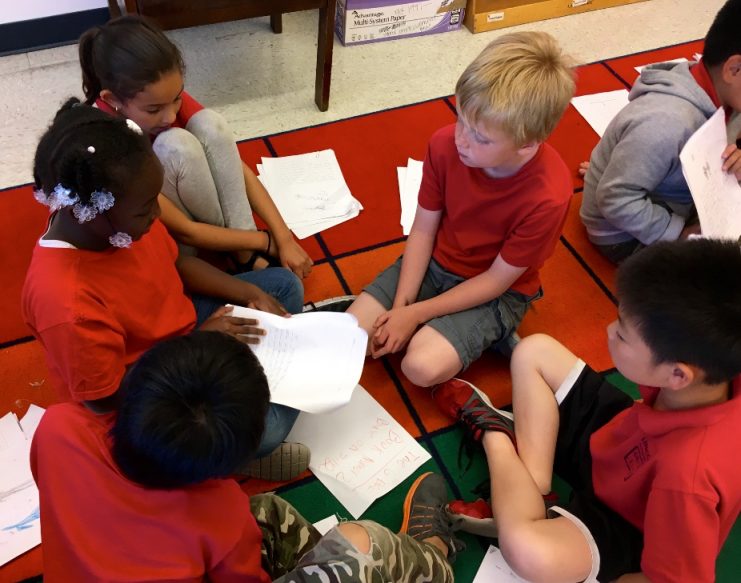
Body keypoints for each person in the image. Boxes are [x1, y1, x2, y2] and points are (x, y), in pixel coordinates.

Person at [22, 100, 307, 480]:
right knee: (267, 431)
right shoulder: (66, 303)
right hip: (149, 385)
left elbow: (178, 264)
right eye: (144, 211)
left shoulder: (118, 217)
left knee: (284, 286)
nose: (157, 218)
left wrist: (246, 296)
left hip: (185, 329)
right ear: (91, 211)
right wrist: (200, 346)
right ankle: (233, 452)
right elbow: (108, 400)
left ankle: (233, 430)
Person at [31, 330, 460, 583]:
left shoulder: (57, 429)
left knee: (267, 511)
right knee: (360, 544)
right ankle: (436, 558)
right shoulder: (219, 519)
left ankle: (322, 555)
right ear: (226, 470)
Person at [435, 238, 741, 582]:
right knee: (533, 352)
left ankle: (497, 437)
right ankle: (532, 488)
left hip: (627, 523)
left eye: (623, 335)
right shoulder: (708, 374)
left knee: (526, 550)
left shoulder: (687, 480)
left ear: (678, 374)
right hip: (621, 440)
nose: (610, 331)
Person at [347, 31, 576, 387]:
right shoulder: (443, 145)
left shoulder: (548, 195)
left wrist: (414, 314)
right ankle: (436, 324)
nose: (461, 139)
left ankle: (493, 332)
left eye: (481, 137)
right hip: (435, 265)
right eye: (460, 120)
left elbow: (498, 280)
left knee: (419, 367)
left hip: (497, 292)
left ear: (529, 144)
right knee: (352, 340)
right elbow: (423, 229)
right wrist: (402, 307)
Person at [79, 15, 313, 279]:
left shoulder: (161, 95)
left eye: (176, 99)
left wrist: (284, 238)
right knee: (175, 143)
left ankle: (241, 248)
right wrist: (263, 241)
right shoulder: (106, 143)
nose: (169, 116)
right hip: (172, 239)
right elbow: (184, 230)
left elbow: (233, 166)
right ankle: (242, 250)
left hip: (199, 219)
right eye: (154, 109)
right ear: (112, 100)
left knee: (210, 123)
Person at [580, 0, 741, 263]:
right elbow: (615, 199)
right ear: (734, 69)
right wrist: (680, 233)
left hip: (680, 196)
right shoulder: (664, 123)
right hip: (624, 235)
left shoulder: (725, 90)